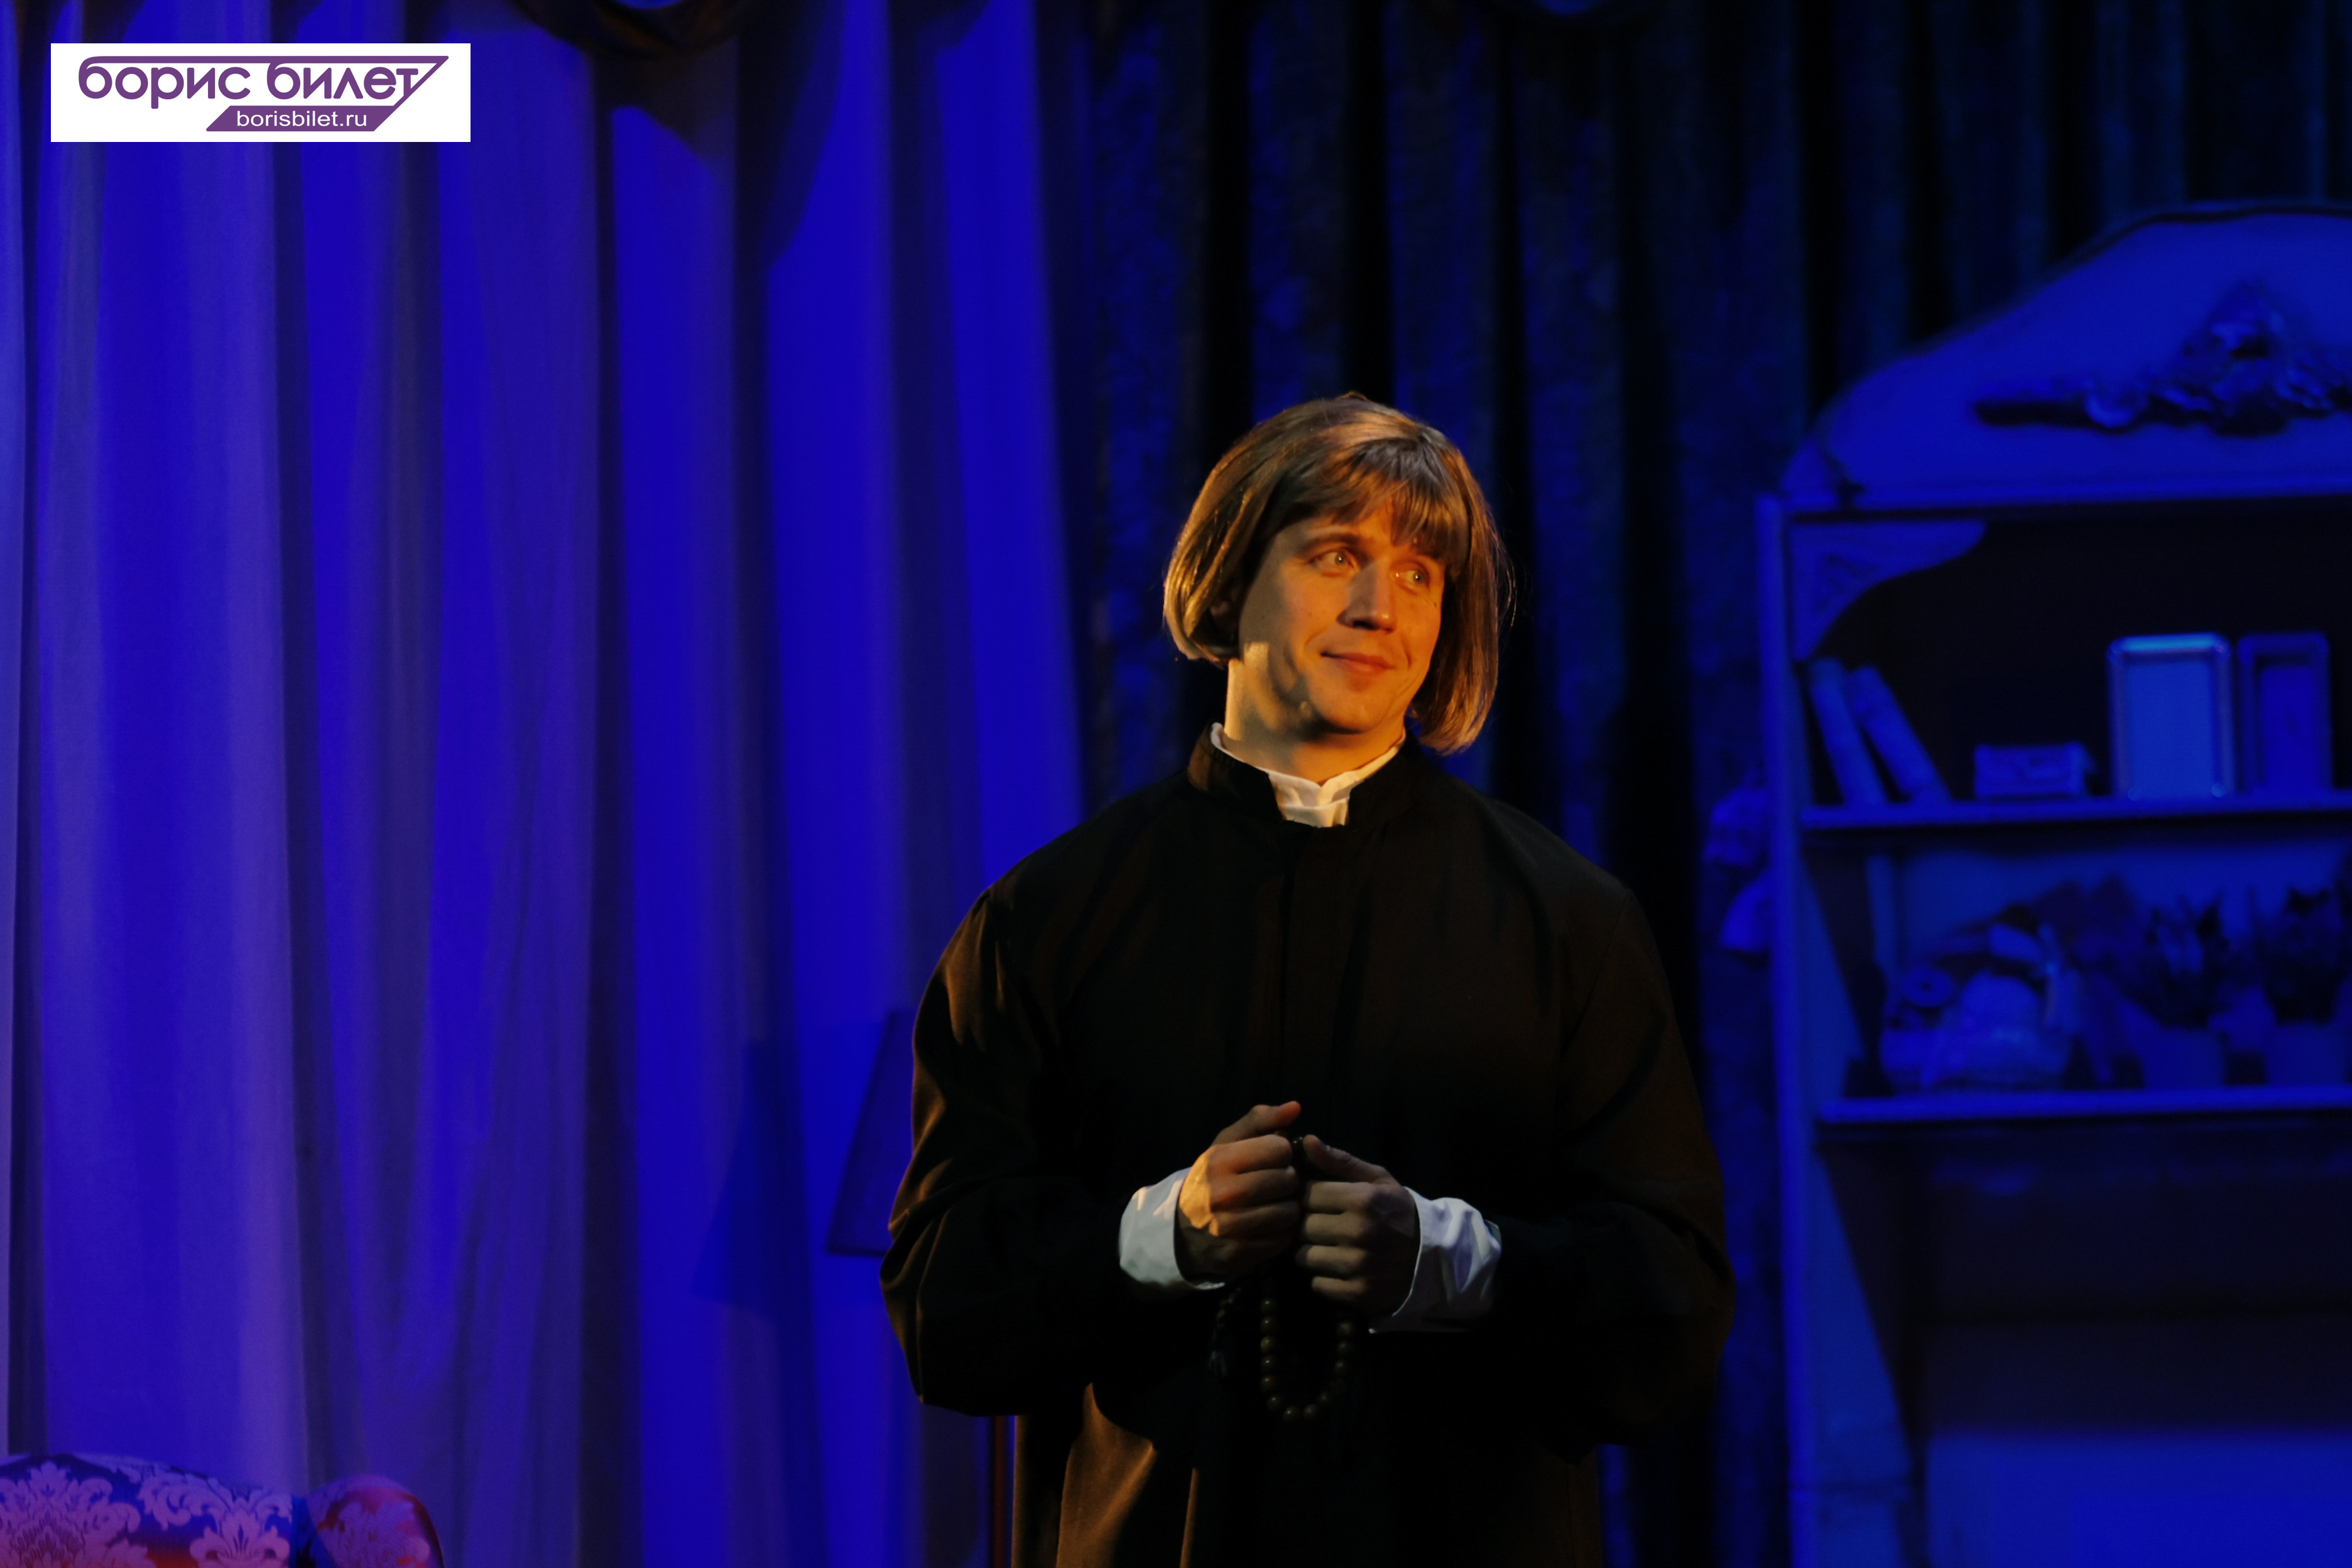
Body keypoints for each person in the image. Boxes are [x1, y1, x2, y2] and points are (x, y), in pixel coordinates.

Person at [883, 396, 1733, 1566]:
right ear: (1229, 578)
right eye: (1336, 556)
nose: (1380, 606)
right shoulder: (1043, 921)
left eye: (1421, 574)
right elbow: (943, 1314)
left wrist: (1447, 1261)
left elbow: (1677, 1315)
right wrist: (1165, 1234)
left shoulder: (1570, 920)